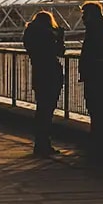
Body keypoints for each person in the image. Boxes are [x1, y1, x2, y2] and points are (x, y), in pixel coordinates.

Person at [22, 10, 66, 156]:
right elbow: (59, 52)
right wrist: (60, 38)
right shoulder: (48, 36)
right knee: (47, 110)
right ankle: (44, 144)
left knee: (41, 109)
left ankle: (39, 143)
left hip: (38, 74)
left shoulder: (30, 35)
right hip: (50, 73)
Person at [77, 1, 103, 150]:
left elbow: (96, 55)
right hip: (96, 76)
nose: (82, 17)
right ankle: (98, 141)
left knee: (96, 109)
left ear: (91, 15)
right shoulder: (99, 31)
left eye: (84, 14)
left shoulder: (95, 32)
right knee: (97, 109)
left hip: (95, 77)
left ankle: (98, 142)